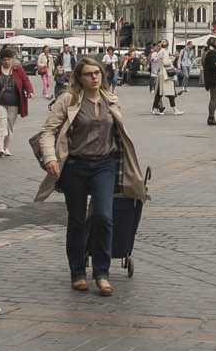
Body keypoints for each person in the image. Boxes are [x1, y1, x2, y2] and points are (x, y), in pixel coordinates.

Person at [32, 56, 150, 295]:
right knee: (77, 220)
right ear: (79, 77)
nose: (94, 77)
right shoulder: (69, 100)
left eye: (97, 73)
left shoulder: (111, 99)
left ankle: (101, 273)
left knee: (103, 216)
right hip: (75, 165)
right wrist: (50, 158)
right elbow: (47, 132)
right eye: (89, 74)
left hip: (104, 165)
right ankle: (77, 273)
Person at [0, 48, 32, 157]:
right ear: (1, 60)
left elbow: (25, 81)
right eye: (4, 60)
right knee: (1, 124)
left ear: (12, 60)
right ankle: (0, 148)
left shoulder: (18, 70)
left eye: (8, 59)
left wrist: (30, 91)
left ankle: (7, 148)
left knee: (9, 126)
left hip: (14, 102)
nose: (6, 62)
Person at [202, 37, 216, 125]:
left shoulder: (207, 52)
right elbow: (212, 65)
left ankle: (211, 116)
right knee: (215, 98)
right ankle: (211, 117)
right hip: (213, 78)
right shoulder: (211, 53)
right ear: (213, 43)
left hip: (211, 77)